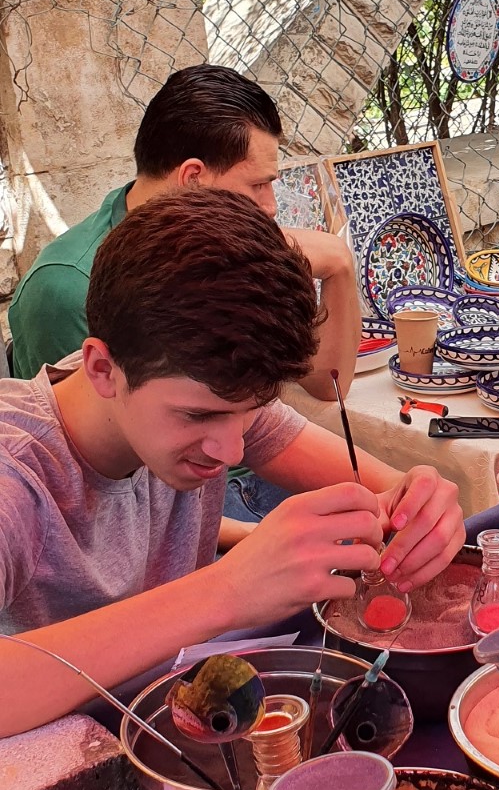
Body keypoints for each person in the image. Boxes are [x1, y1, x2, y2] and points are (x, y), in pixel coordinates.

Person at [0, 189, 464, 738]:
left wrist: (424, 502)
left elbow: (392, 489)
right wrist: (227, 591)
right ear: (102, 369)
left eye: (249, 412)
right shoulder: (16, 469)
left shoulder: (210, 394)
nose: (233, 451)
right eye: (198, 416)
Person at [7, 64, 361, 531]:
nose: (272, 206)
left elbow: (323, 385)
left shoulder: (230, 249)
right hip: (180, 510)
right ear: (193, 176)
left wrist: (339, 266)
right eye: (258, 184)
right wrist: (259, 548)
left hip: (232, 479)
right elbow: (92, 500)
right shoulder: (66, 289)